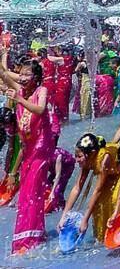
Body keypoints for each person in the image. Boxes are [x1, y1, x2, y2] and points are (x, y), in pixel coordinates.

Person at [0, 55, 54, 254]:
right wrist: (12, 173)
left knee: (32, 193)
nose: (22, 78)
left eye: (26, 74)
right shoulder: (20, 91)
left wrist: (20, 99)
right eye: (21, 74)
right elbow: (4, 75)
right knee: (25, 195)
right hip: (28, 150)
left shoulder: (41, 91)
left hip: (41, 150)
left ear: (36, 76)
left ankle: (28, 241)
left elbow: (40, 110)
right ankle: (29, 237)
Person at [58, 133, 120, 242]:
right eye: (76, 156)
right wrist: (64, 216)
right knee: (99, 206)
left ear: (92, 154)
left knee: (116, 201)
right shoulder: (86, 162)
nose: (76, 160)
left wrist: (85, 219)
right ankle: (102, 238)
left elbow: (97, 190)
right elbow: (77, 188)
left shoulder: (104, 159)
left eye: (79, 156)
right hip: (110, 174)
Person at [46, 147, 76, 213]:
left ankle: (63, 208)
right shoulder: (42, 155)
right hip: (55, 168)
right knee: (46, 185)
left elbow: (58, 175)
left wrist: (52, 191)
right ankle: (50, 205)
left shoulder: (57, 155)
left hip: (67, 168)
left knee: (57, 191)